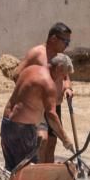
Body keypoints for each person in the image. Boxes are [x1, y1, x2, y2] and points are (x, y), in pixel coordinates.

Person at [1, 53, 75, 171]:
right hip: (23, 130)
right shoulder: (48, 84)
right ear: (59, 68)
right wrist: (65, 139)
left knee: (13, 170)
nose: (61, 80)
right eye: (63, 75)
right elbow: (51, 114)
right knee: (28, 172)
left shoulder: (30, 70)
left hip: (7, 124)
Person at [17, 23, 74, 161]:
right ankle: (38, 172)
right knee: (42, 140)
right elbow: (17, 74)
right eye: (65, 41)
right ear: (54, 39)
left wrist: (67, 88)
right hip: (40, 106)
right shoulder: (37, 53)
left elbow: (66, 77)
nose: (67, 45)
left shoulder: (60, 56)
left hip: (55, 105)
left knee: (52, 142)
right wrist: (31, 94)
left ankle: (49, 175)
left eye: (69, 42)